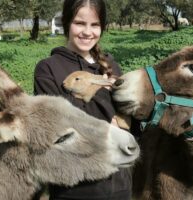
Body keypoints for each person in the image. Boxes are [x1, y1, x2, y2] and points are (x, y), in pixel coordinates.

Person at [33, 0, 132, 199]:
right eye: (80, 23)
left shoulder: (111, 65)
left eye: (95, 25)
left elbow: (130, 119)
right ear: (67, 23)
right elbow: (62, 126)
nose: (87, 32)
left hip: (120, 185)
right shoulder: (48, 69)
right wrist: (104, 96)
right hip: (75, 188)